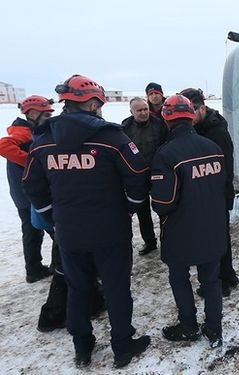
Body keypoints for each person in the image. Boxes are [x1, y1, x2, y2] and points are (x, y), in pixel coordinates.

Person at [22, 74, 150, 369]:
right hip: (110, 230)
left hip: (69, 232)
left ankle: (82, 346)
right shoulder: (111, 136)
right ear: (92, 104)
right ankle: (122, 345)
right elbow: (137, 175)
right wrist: (130, 208)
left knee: (78, 288)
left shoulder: (43, 140)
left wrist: (52, 216)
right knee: (117, 288)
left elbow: (32, 184)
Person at [150, 94, 225, 346]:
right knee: (211, 280)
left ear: (167, 120)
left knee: (179, 278)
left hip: (181, 230)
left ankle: (188, 325)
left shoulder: (166, 154)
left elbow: (163, 203)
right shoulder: (213, 148)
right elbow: (222, 187)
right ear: (191, 117)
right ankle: (214, 328)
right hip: (213, 227)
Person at [180, 88, 239, 297]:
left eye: (192, 110)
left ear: (202, 108)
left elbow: (225, 170)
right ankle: (228, 275)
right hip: (210, 195)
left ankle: (222, 282)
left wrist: (216, 196)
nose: (188, 115)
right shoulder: (199, 128)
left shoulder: (216, 132)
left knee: (217, 240)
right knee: (219, 237)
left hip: (217, 195)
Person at [0, 95, 55, 283]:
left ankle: (34, 268)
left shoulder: (29, 130)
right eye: (46, 114)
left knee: (33, 230)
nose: (49, 118)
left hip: (24, 192)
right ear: (31, 113)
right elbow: (3, 145)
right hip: (28, 194)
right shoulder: (23, 132)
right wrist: (33, 162)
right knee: (53, 230)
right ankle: (47, 267)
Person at [122, 97, 168, 255]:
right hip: (137, 176)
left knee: (163, 208)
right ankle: (150, 242)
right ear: (131, 112)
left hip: (158, 173)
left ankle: (167, 239)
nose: (143, 113)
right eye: (139, 110)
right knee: (142, 211)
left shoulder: (159, 124)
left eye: (145, 109)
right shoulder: (125, 127)